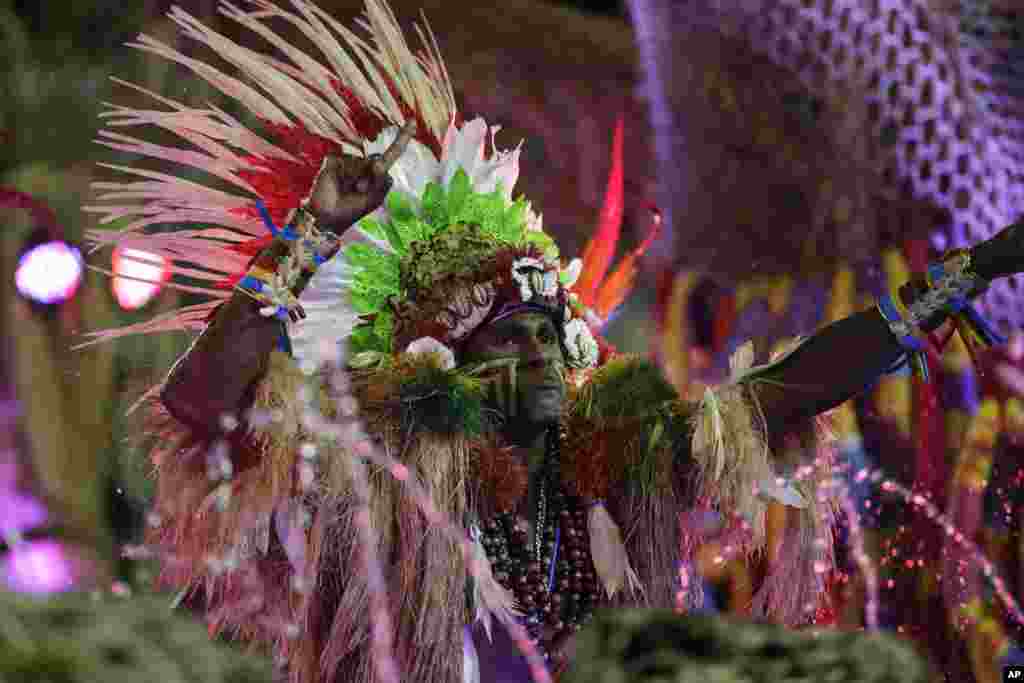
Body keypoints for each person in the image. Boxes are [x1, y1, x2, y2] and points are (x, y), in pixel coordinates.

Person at [81, 1, 1024, 681]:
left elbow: (785, 390)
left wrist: (949, 287)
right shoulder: (368, 482)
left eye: (549, 331)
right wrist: (306, 238)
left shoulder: (609, 469)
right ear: (433, 363)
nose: (541, 355)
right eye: (506, 338)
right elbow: (203, 403)